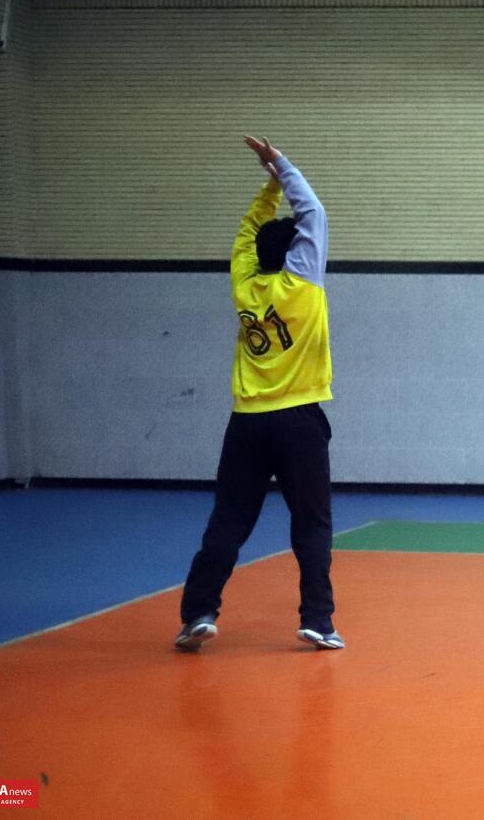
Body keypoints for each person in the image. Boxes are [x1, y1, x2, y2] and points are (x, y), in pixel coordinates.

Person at [175, 136, 342, 651]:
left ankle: (198, 613)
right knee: (311, 524)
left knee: (229, 519)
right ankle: (318, 621)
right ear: (295, 253)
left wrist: (267, 190)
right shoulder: (302, 285)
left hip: (247, 422)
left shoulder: (244, 285)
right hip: (299, 421)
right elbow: (314, 213)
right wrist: (281, 167)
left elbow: (249, 232)